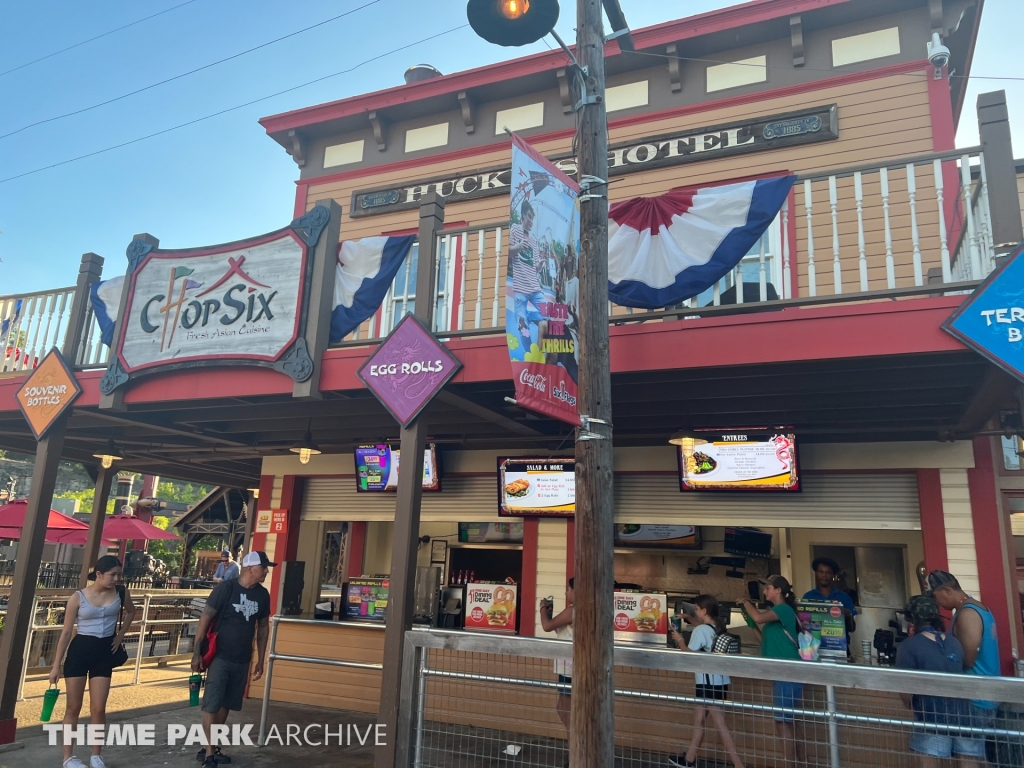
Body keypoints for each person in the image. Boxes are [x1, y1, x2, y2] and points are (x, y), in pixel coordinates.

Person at [49, 556, 137, 768]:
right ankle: (68, 757)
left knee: (99, 708)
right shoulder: (78, 597)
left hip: (105, 651)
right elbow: (66, 632)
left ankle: (96, 755)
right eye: (112, 575)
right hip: (80, 651)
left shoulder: (121, 592)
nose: (117, 579)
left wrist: (120, 635)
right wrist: (56, 665)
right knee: (73, 707)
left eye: (119, 575)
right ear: (99, 574)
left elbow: (132, 611)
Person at [191, 551, 273, 767]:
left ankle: (211, 746)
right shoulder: (226, 588)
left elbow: (263, 627)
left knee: (226, 703)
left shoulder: (263, 595)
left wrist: (260, 659)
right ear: (250, 568)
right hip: (220, 655)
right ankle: (209, 755)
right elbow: (205, 618)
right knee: (212, 703)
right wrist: (197, 653)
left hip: (242, 657)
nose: (266, 571)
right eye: (264, 567)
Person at [927, 570, 1001, 761]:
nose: (937, 602)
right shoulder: (977, 608)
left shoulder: (968, 613)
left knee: (967, 754)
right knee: (977, 752)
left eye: (936, 596)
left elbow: (967, 659)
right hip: (983, 694)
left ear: (947, 590)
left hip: (974, 698)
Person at [896, 594, 975, 768]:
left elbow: (904, 689)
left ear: (912, 619)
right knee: (968, 760)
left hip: (930, 715)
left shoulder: (909, 646)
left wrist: (911, 704)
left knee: (929, 762)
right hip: (964, 714)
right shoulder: (954, 643)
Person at [669, 595, 745, 768]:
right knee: (699, 720)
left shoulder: (700, 631)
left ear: (704, 611)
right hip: (720, 681)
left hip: (707, 683)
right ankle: (689, 759)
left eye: (696, 609)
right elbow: (703, 629)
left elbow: (689, 654)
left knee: (720, 724)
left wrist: (680, 639)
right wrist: (689, 618)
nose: (695, 611)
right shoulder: (717, 626)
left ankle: (739, 765)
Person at [738, 575, 805, 767]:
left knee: (782, 721)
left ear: (778, 590)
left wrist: (747, 602)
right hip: (781, 672)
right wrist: (752, 625)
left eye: (768, 588)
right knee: (786, 721)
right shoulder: (775, 616)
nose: (765, 591)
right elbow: (763, 642)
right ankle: (799, 762)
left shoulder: (783, 609)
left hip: (788, 672)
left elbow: (758, 617)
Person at [539, 577, 574, 768]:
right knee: (562, 709)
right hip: (566, 667)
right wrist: (550, 615)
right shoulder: (574, 611)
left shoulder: (573, 610)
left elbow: (546, 626)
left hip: (570, 669)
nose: (566, 593)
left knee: (568, 715)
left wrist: (542, 609)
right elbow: (558, 630)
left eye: (568, 589)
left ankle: (575, 758)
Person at [508, 199, 548, 351]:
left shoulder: (534, 241)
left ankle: (529, 316)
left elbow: (535, 267)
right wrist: (518, 246)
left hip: (535, 288)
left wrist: (540, 265)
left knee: (549, 313)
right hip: (520, 289)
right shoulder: (515, 229)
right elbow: (508, 252)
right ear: (523, 215)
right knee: (522, 328)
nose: (531, 220)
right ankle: (529, 353)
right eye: (529, 216)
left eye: (532, 217)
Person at [802, 557, 857, 654]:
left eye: (828, 572)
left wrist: (845, 612)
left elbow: (852, 629)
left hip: (840, 649)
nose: (824, 575)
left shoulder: (844, 597)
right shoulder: (808, 597)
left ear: (833, 574)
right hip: (814, 649)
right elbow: (802, 626)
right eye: (821, 572)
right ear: (815, 573)